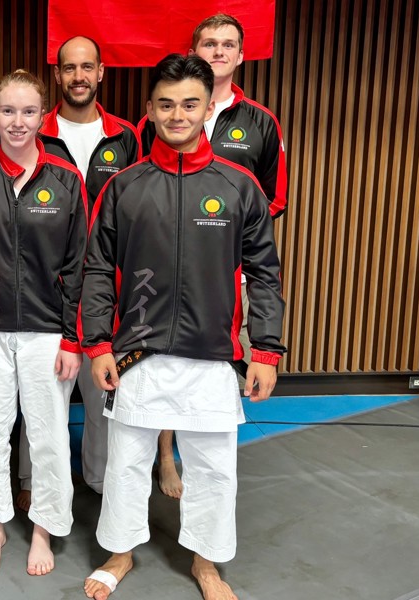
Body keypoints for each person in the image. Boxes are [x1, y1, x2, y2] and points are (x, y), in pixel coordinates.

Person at [80, 54, 285, 600]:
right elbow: (98, 269)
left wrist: (265, 349)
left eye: (190, 104)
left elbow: (265, 272)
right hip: (137, 352)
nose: (178, 115)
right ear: (150, 110)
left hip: (212, 352)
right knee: (126, 462)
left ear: (207, 108)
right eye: (166, 105)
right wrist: (98, 342)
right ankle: (120, 554)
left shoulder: (240, 187)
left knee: (215, 467)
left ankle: (207, 563)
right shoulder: (124, 187)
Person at [142, 14, 290, 499]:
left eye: (229, 44)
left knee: (213, 371)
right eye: (210, 43)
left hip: (225, 266)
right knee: (161, 359)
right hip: (163, 267)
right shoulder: (160, 118)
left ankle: (204, 462)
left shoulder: (261, 121)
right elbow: (149, 184)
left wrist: (219, 233)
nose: (219, 51)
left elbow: (273, 198)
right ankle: (166, 458)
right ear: (195, 50)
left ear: (241, 55)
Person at [0, 69, 88, 576]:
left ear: (42, 115)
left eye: (28, 111)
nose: (18, 122)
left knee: (48, 433)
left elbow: (80, 265)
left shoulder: (66, 179)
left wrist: (73, 338)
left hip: (46, 328)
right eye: (8, 111)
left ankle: (43, 531)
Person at [14, 35, 139, 504]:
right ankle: (31, 481)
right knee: (43, 399)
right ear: (57, 75)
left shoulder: (125, 136)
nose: (79, 76)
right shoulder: (32, 131)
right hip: (46, 290)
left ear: (101, 72)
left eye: (88, 67)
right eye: (69, 68)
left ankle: (102, 482)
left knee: (104, 393)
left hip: (107, 287)